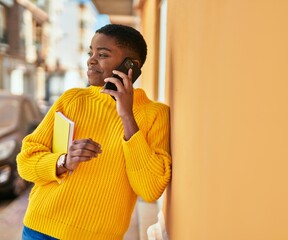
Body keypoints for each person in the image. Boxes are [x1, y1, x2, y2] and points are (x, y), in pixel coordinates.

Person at [16, 24, 172, 240]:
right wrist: (64, 161)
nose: (91, 59)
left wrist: (127, 115)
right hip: (41, 230)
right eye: (91, 52)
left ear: (131, 66)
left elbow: (150, 189)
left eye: (103, 54)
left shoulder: (155, 114)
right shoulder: (72, 100)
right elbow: (26, 162)